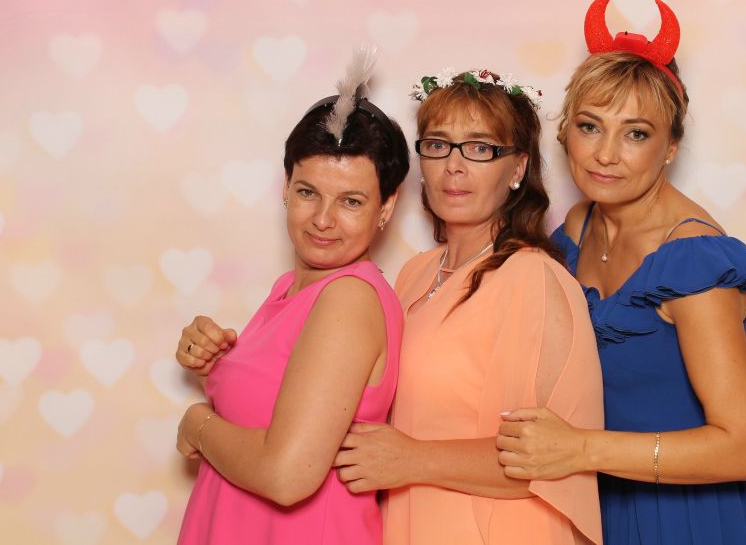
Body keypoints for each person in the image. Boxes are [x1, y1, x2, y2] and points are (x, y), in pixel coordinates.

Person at [495, 0, 746, 544]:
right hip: (606, 505)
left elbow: (742, 449)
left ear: (671, 146)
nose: (606, 154)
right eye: (590, 126)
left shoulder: (693, 263)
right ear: (565, 131)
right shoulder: (578, 228)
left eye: (636, 133)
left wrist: (579, 449)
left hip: (695, 519)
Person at [332, 69, 605, 544]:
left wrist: (411, 459)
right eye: (438, 145)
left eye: (480, 148)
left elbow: (549, 457)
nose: (453, 166)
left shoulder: (533, 278)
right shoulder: (414, 273)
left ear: (517, 169)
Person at [173, 47, 411, 544]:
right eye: (308, 192)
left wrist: (198, 424)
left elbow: (287, 475)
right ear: (286, 185)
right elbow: (272, 409)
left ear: (386, 207)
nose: (322, 220)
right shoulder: (291, 288)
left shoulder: (348, 298)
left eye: (351, 201)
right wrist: (214, 366)